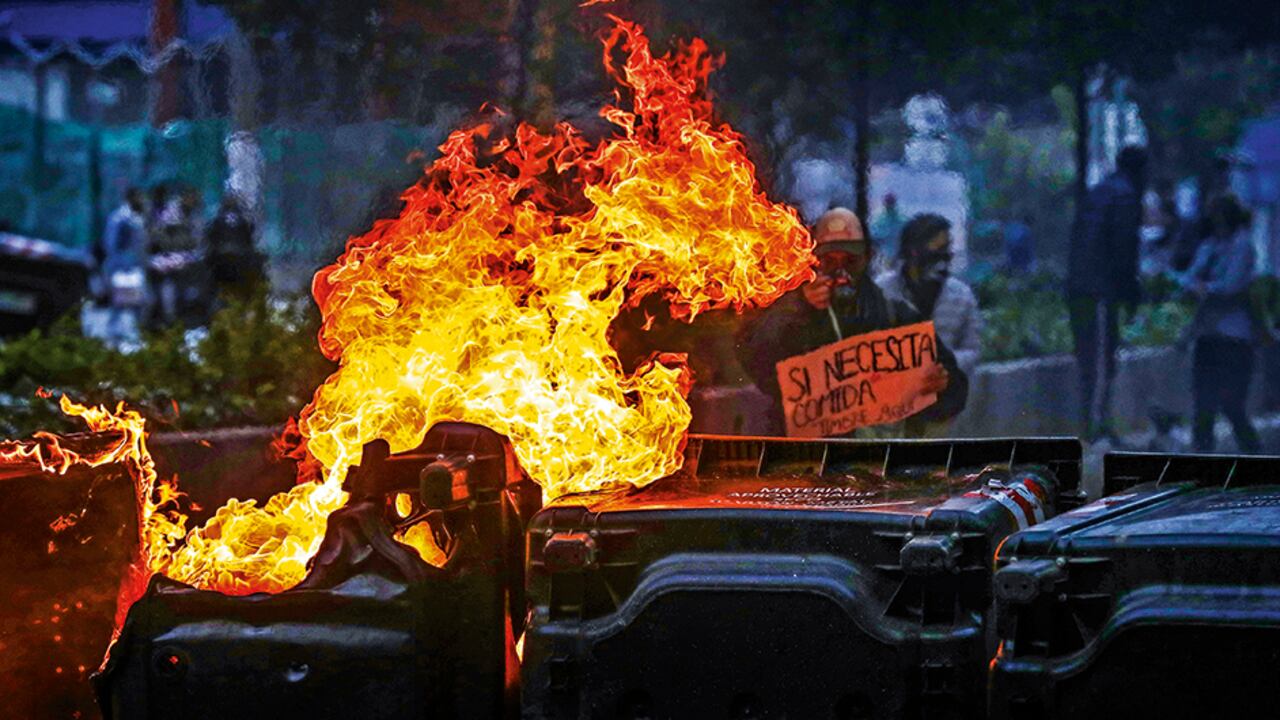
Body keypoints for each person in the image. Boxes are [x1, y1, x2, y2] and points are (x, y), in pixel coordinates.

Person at [739, 207, 968, 437]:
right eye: (830, 261)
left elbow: (953, 389)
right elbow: (757, 361)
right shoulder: (791, 314)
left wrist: (941, 385)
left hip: (878, 460)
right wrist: (800, 310)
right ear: (815, 261)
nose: (841, 271)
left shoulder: (897, 317)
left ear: (867, 258)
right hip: (807, 459)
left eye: (850, 261)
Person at [1067, 145, 1148, 440]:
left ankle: (1095, 422)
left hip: (1081, 286)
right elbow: (1123, 249)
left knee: (1089, 358)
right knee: (1100, 361)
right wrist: (1130, 291)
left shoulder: (1100, 191)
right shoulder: (1124, 195)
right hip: (1099, 289)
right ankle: (1095, 427)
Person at [1177, 194, 1260, 454]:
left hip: (1234, 338)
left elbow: (1231, 287)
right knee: (1203, 406)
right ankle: (1201, 461)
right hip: (1208, 336)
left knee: (1232, 405)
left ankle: (1255, 456)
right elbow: (1190, 279)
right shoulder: (1210, 246)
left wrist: (1206, 289)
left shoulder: (1242, 246)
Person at [876, 213, 982, 381]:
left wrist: (943, 363)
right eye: (937, 250)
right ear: (913, 251)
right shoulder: (882, 291)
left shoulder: (961, 296)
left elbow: (973, 349)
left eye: (947, 248)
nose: (945, 256)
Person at [100, 187, 150, 349]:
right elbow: (111, 245)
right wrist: (123, 264)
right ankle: (115, 338)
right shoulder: (120, 218)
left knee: (138, 303)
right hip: (122, 268)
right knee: (122, 304)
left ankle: (128, 336)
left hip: (133, 267)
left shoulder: (136, 217)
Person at [206, 193, 265, 302]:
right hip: (239, 256)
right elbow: (250, 236)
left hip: (222, 256)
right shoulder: (242, 218)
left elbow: (210, 237)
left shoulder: (218, 218)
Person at [870, 192, 906, 273]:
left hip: (886, 255)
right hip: (900, 255)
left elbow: (873, 236)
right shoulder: (903, 220)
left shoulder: (879, 220)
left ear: (884, 204)